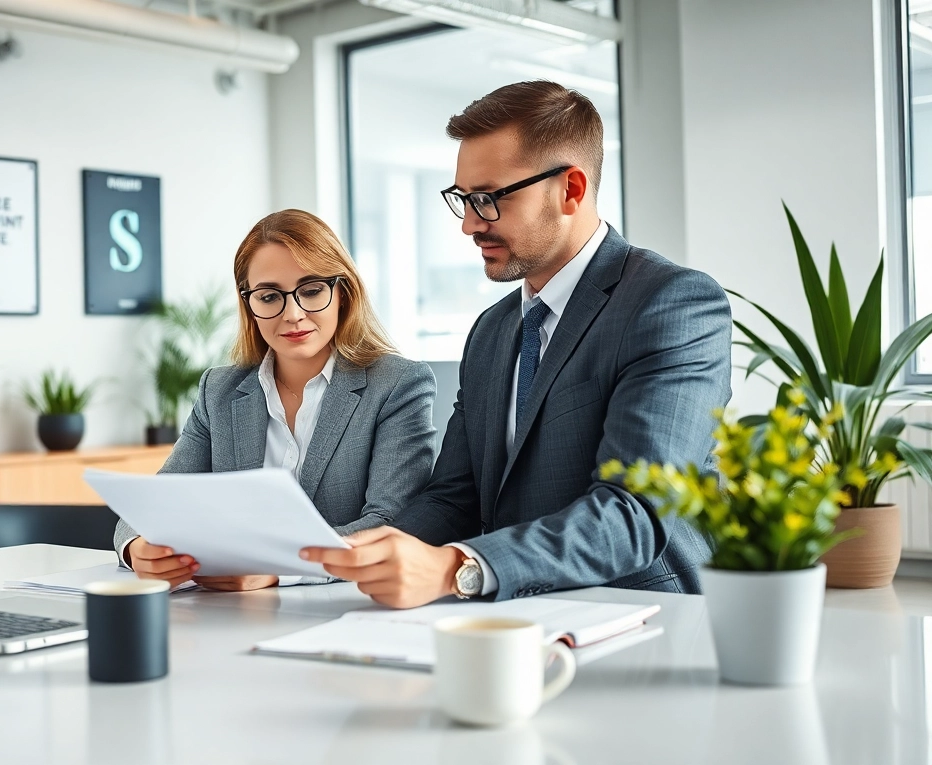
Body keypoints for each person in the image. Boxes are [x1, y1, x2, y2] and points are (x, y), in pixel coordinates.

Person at [301, 80, 731, 608]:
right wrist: (322, 562)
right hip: (515, 621)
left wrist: (457, 567)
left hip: (645, 622)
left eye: (488, 199)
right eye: (462, 198)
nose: (468, 224)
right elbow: (454, 497)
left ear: (571, 189)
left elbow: (635, 513)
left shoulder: (671, 303)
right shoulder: (492, 330)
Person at [112, 209, 437, 591]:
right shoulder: (219, 391)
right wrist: (138, 548)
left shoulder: (397, 384)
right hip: (223, 613)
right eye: (269, 297)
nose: (293, 314)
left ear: (342, 293)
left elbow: (390, 521)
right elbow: (153, 504)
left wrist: (276, 568)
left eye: (312, 290)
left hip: (346, 606)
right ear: (250, 304)